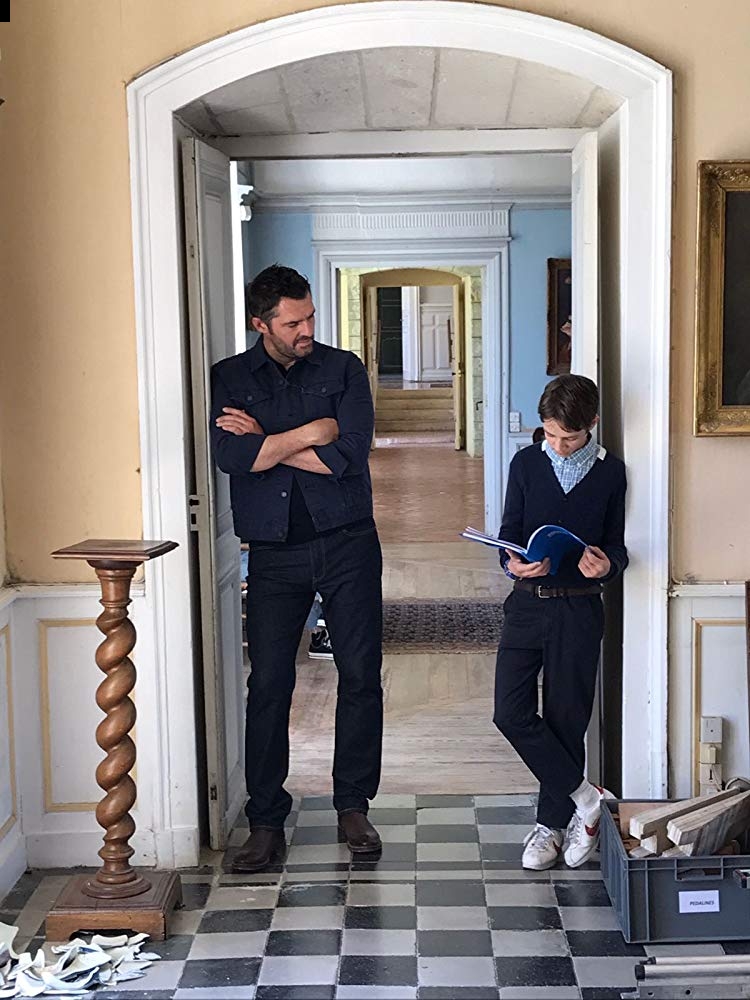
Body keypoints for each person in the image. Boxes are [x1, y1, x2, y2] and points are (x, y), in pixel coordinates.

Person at [211, 264, 383, 872]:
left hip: (349, 543)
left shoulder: (344, 368)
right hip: (273, 553)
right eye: (293, 322)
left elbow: (348, 455)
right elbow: (234, 457)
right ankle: (265, 820)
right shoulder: (229, 377)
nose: (307, 329)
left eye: (309, 316)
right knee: (269, 684)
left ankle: (353, 805)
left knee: (360, 676)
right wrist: (309, 431)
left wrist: (269, 440)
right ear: (261, 324)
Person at [493, 374, 628, 871]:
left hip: (579, 608)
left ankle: (550, 826)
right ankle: (587, 799)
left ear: (592, 423)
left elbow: (616, 546)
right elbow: (509, 533)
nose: (557, 444)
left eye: (568, 437)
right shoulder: (526, 463)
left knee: (566, 720)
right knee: (509, 713)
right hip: (526, 605)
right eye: (550, 434)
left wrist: (606, 566)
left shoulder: (612, 474)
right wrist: (513, 563)